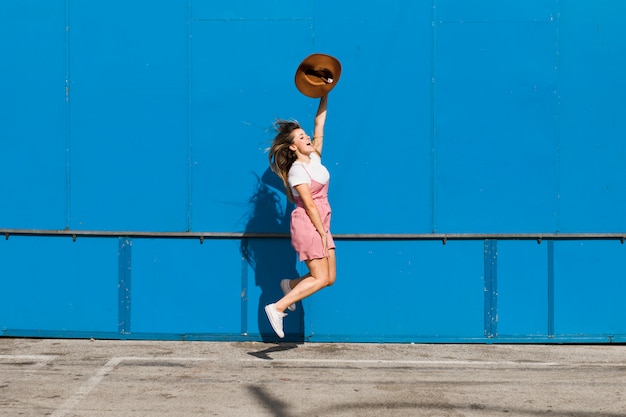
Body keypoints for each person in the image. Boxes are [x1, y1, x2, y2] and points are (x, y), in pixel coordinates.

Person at [265, 94, 336, 338]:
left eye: (306, 135)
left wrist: (325, 92)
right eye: (301, 137)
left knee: (329, 279)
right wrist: (322, 234)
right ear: (293, 147)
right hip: (309, 223)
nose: (307, 138)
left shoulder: (314, 157)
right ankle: (277, 307)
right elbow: (309, 205)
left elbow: (320, 123)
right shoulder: (297, 171)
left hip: (322, 220)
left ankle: (290, 285)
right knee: (319, 278)